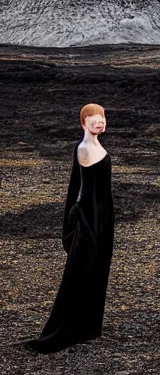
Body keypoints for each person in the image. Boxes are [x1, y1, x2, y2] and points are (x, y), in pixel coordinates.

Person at [24, 103, 115, 354]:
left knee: (94, 269)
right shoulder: (85, 148)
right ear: (84, 123)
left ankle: (85, 325)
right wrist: (84, 222)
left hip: (99, 216)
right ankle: (67, 327)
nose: (101, 123)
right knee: (81, 271)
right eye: (95, 119)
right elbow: (85, 191)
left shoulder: (91, 146)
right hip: (91, 218)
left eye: (103, 118)